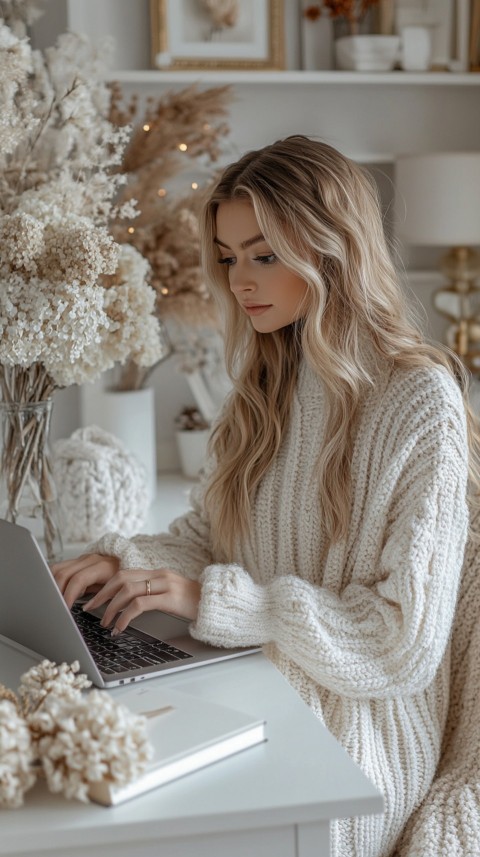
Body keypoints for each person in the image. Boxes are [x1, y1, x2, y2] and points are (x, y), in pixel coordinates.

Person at [52, 136, 479, 857]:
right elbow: (211, 535)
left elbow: (400, 643)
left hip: (357, 742)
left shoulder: (418, 398)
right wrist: (121, 559)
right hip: (257, 684)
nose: (240, 279)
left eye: (264, 254)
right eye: (227, 256)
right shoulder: (268, 384)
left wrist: (213, 601)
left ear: (331, 249)